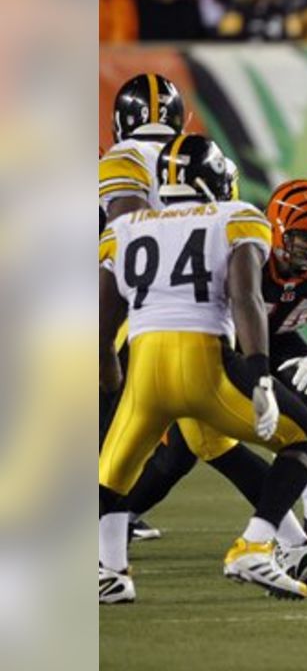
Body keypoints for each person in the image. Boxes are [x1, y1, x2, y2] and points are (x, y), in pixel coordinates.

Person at [99, 135, 307, 603]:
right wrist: (261, 372)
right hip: (204, 362)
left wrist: (109, 378)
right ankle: (255, 545)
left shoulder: (122, 230)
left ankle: (110, 572)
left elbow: (102, 322)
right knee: (305, 438)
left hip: (145, 370)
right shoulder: (237, 217)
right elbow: (246, 298)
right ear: (215, 179)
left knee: (109, 480)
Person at [119, 180, 307, 565]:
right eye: (304, 237)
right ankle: (118, 517)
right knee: (181, 452)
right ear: (274, 231)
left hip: (279, 339)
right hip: (219, 342)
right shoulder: (244, 248)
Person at [99, 75, 285, 546]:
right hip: (204, 315)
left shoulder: (121, 159)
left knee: (121, 433)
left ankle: (109, 541)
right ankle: (291, 540)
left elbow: (127, 233)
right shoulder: (204, 154)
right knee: (206, 442)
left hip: (143, 314)